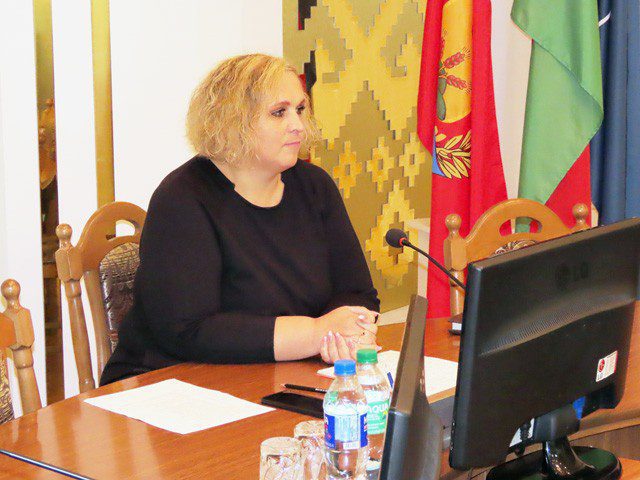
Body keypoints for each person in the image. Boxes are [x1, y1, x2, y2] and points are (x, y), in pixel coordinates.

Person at [100, 54, 380, 385]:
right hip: (170, 383)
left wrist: (349, 332)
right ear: (232, 122)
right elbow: (189, 330)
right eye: (279, 112)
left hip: (279, 376)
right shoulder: (182, 199)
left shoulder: (315, 186)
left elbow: (357, 292)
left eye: (300, 109)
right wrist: (315, 333)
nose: (298, 125)